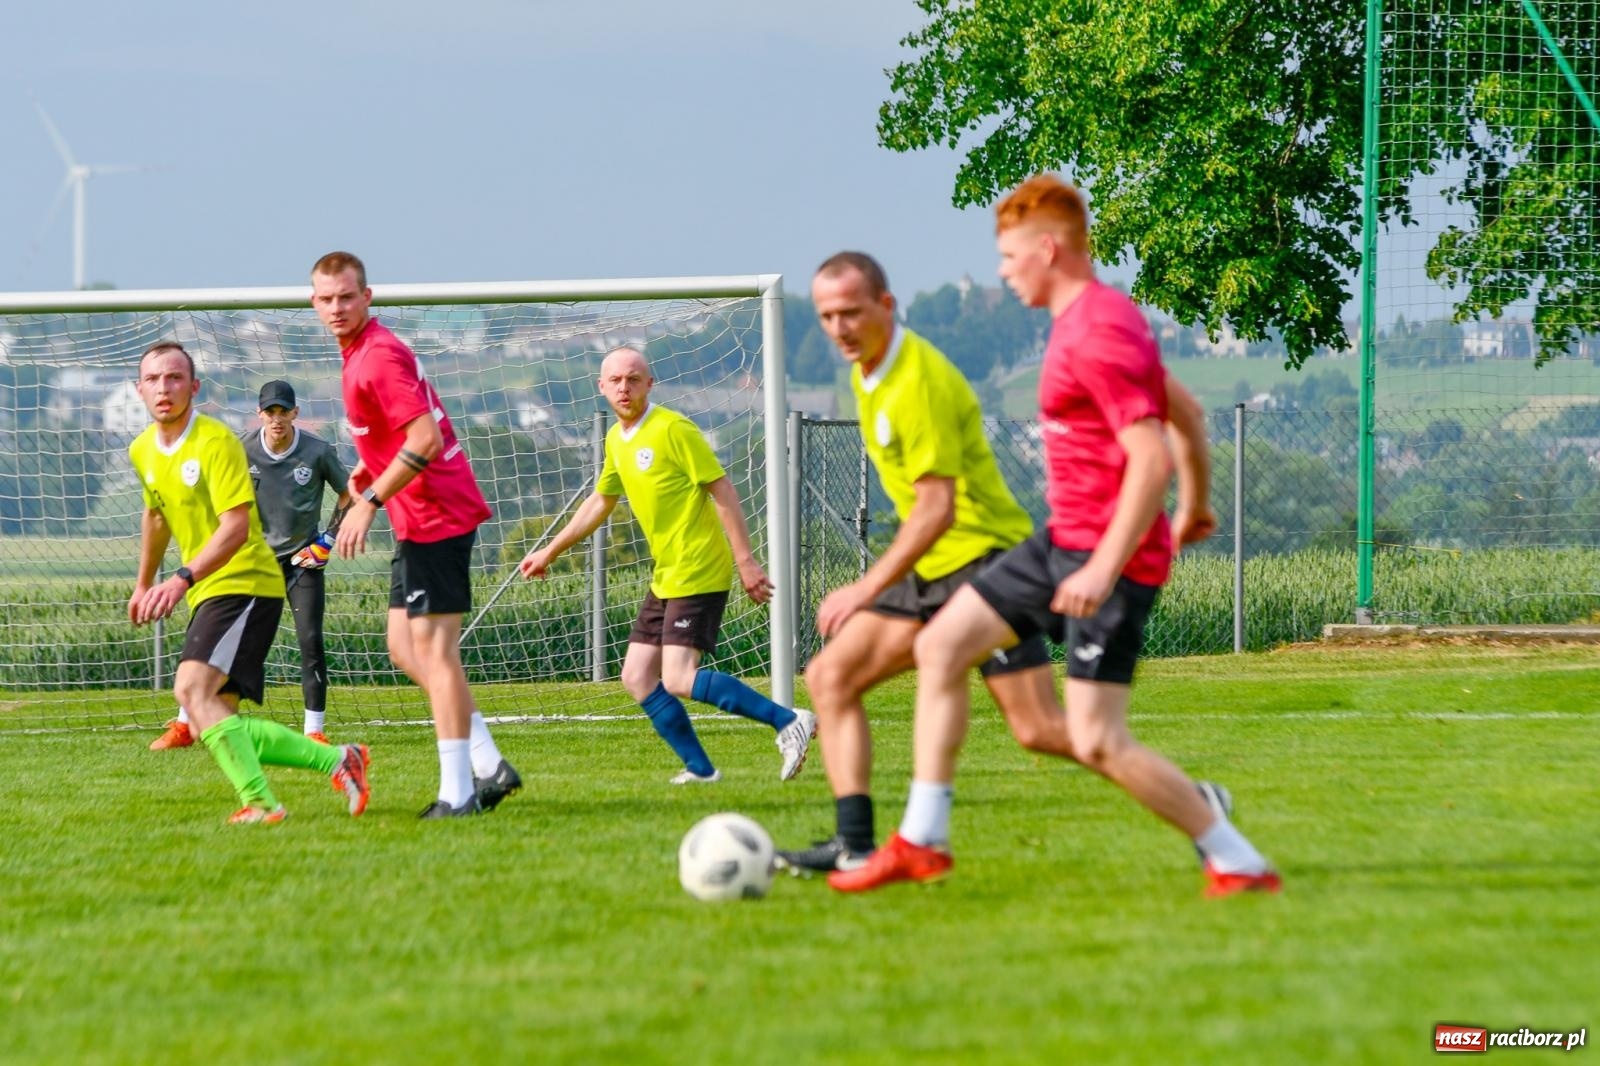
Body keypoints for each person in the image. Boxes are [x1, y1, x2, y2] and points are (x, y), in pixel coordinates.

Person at [828, 175, 1280, 897]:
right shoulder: (1086, 320)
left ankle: (1237, 859)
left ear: (1046, 250)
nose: (1003, 272)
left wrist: (1104, 566)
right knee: (942, 646)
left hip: (1109, 556)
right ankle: (922, 840)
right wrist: (1195, 505)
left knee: (1096, 739)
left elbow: (1149, 457)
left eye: (1009, 258)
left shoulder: (1098, 330)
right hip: (1060, 540)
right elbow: (1185, 411)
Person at [519, 347, 816, 783]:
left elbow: (722, 490)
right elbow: (602, 500)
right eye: (615, 380)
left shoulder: (673, 429)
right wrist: (550, 551)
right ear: (601, 387)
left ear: (649, 384)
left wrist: (746, 562)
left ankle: (788, 721)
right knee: (637, 675)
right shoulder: (617, 439)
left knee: (678, 677)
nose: (624, 387)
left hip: (698, 567)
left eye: (633, 379)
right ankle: (700, 769)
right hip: (668, 573)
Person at [310, 251, 521, 819]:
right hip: (417, 516)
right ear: (314, 302)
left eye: (347, 296)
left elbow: (425, 439)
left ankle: (459, 793)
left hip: (438, 514)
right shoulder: (360, 354)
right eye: (327, 299)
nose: (337, 307)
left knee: (436, 653)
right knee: (405, 648)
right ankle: (489, 763)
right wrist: (371, 469)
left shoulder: (377, 356)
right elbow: (398, 432)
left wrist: (369, 502)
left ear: (367, 296)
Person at [128, 341, 370, 823]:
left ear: (194, 387)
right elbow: (156, 516)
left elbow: (236, 527)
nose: (164, 388)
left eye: (174, 378)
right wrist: (143, 583)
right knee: (214, 715)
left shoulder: (217, 442)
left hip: (245, 580)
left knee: (191, 690)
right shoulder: (143, 450)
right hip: (210, 586)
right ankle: (339, 760)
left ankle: (262, 804)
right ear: (140, 389)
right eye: (153, 379)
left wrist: (179, 579)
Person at [149, 379, 352, 749]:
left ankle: (314, 731)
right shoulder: (240, 449)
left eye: (283, 411)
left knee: (310, 640)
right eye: (270, 412)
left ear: (295, 413)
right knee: (208, 632)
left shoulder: (318, 451)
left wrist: (326, 541)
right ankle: (183, 725)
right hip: (250, 561)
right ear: (259, 414)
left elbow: (349, 495)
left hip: (301, 563)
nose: (277, 419)